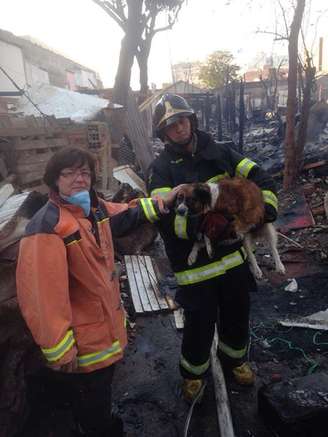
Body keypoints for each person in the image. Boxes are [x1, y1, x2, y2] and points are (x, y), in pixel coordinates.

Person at [16, 147, 177, 436]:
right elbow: (42, 298)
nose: (79, 179)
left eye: (85, 172)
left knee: (100, 393)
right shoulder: (48, 227)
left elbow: (126, 214)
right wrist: (61, 351)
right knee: (91, 403)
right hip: (82, 344)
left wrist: (162, 201)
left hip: (103, 332)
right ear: (54, 180)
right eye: (69, 173)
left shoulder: (94, 209)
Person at [147, 94, 278, 402]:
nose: (178, 129)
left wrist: (265, 210)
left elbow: (261, 177)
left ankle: (235, 360)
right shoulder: (161, 169)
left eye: (181, 121)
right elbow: (165, 219)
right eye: (170, 126)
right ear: (163, 133)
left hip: (233, 259)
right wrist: (201, 227)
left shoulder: (220, 153)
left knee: (237, 314)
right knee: (199, 324)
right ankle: (193, 374)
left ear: (191, 121)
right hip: (194, 268)